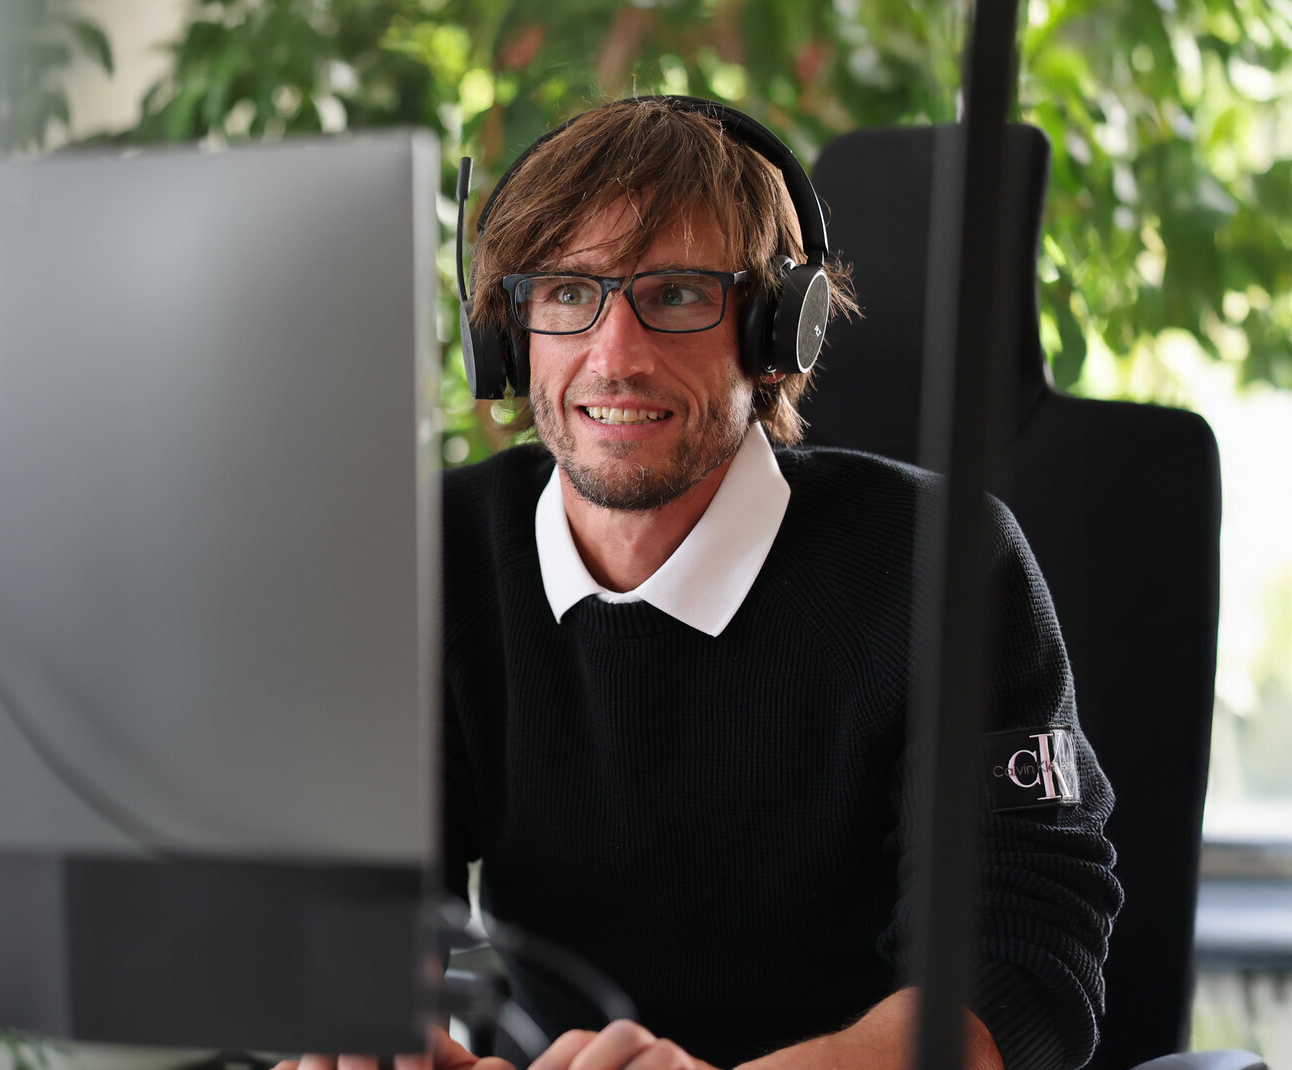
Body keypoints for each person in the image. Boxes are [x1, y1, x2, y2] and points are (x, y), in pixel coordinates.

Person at [432, 97, 1121, 1070]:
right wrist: (366, 1029)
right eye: (564, 292)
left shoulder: (942, 564)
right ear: (508, 332)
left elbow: (1017, 971)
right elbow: (356, 905)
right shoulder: (439, 553)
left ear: (776, 334)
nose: (613, 356)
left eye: (674, 295)